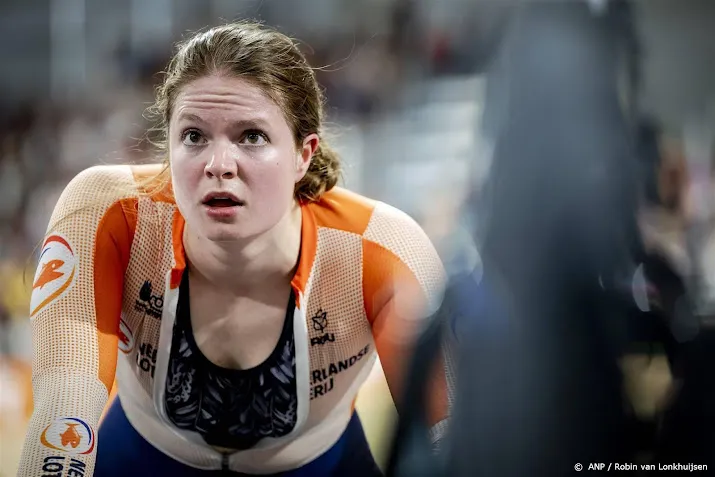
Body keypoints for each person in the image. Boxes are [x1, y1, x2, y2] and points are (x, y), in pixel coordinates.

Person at [17, 22, 448, 477]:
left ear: (304, 155)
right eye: (194, 136)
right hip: (143, 456)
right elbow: (65, 410)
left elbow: (456, 437)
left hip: (319, 464)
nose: (219, 166)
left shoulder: (382, 248)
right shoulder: (108, 213)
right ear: (168, 146)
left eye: (251, 137)